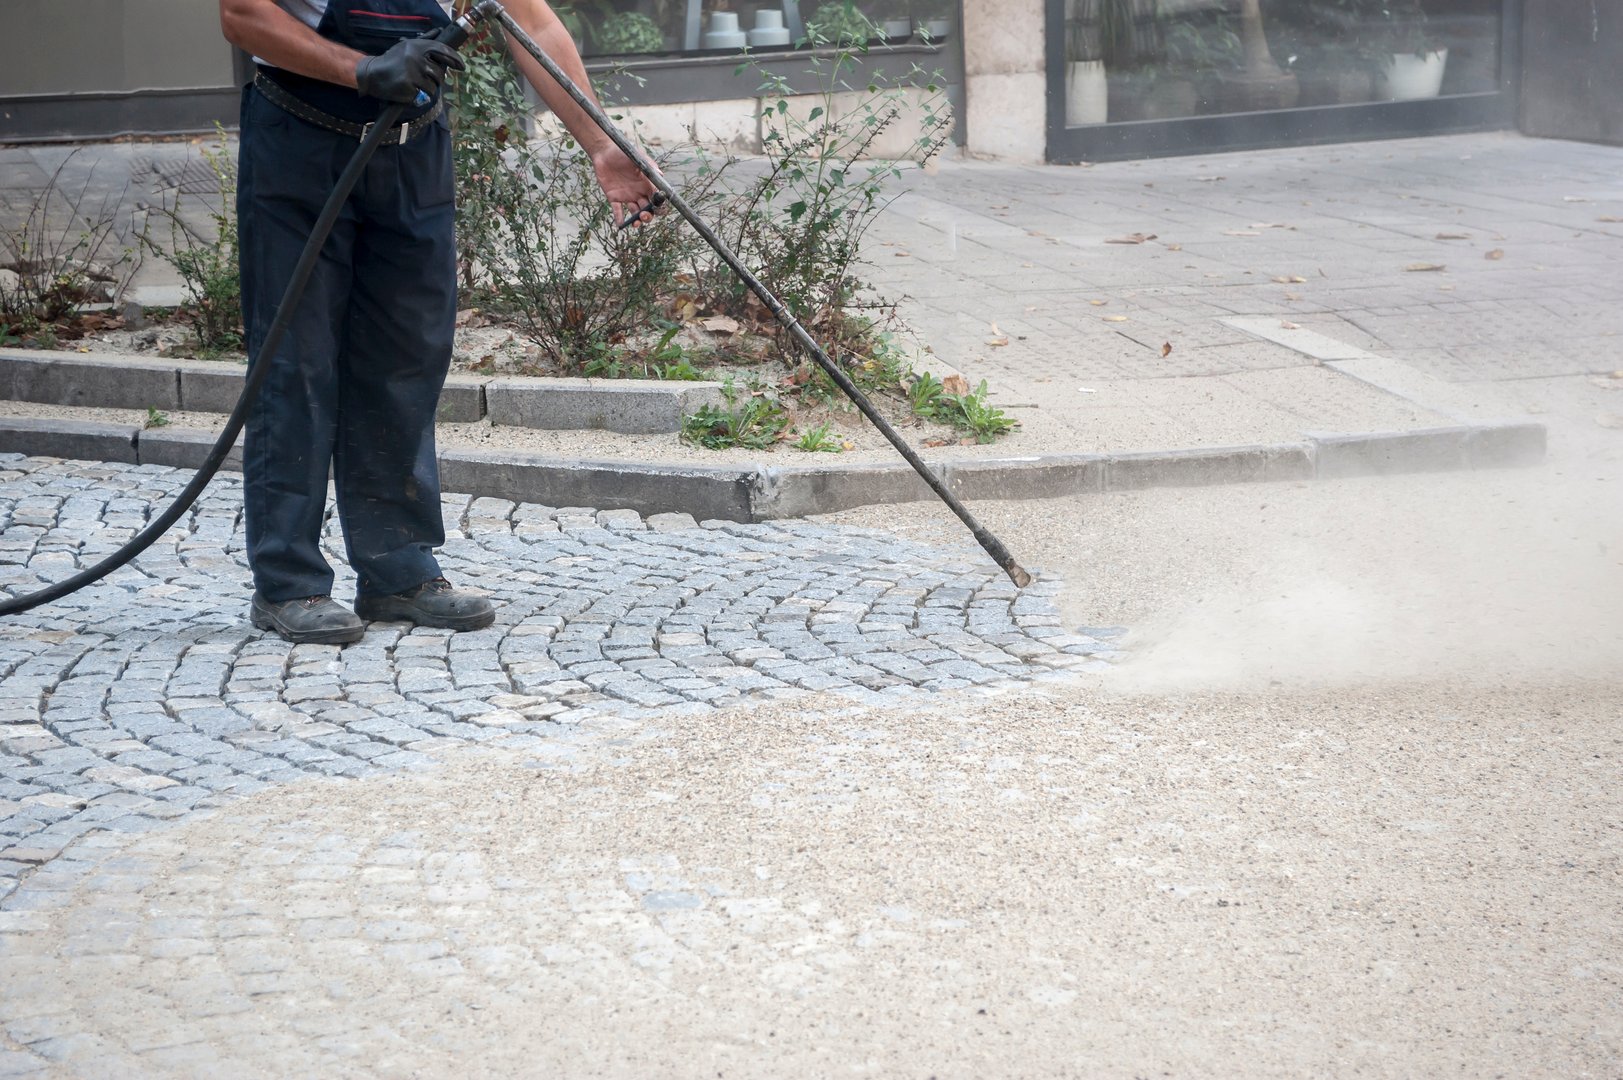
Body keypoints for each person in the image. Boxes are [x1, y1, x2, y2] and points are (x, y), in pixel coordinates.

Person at [218, 0, 658, 645]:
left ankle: (398, 570)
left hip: (413, 148)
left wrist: (602, 144)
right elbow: (244, 16)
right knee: (296, 362)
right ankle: (289, 582)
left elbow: (531, 24)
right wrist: (363, 69)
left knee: (406, 357)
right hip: (299, 144)